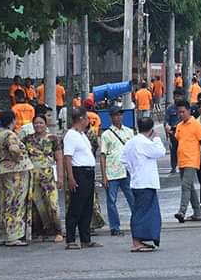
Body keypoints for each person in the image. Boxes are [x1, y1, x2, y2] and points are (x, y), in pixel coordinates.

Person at [123, 116, 167, 252]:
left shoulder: (131, 142)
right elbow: (161, 151)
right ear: (151, 129)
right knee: (142, 213)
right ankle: (137, 242)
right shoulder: (144, 142)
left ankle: (140, 239)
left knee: (143, 211)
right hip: (145, 182)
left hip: (137, 180)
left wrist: (133, 169)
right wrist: (157, 138)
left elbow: (123, 159)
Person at [0, 109, 34, 247]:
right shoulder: (10, 135)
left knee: (3, 203)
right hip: (14, 173)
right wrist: (16, 160)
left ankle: (4, 234)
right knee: (15, 202)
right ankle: (13, 235)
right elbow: (14, 149)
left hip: (0, 171)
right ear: (13, 120)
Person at [62, 108, 101, 250]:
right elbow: (68, 158)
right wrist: (70, 178)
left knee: (87, 207)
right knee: (76, 207)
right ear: (81, 119)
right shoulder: (71, 135)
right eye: (86, 118)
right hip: (79, 172)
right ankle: (71, 239)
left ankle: (86, 239)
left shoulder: (82, 135)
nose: (88, 121)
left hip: (88, 172)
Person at [23, 113, 64, 243]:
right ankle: (40, 231)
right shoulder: (27, 139)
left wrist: (61, 177)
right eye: (36, 123)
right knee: (37, 206)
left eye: (41, 123)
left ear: (45, 124)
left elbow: (59, 158)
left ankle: (58, 231)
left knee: (52, 204)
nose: (38, 125)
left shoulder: (53, 138)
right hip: (32, 176)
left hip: (48, 175)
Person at [99, 106, 135, 236]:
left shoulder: (130, 132)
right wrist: (104, 176)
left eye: (120, 115)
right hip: (112, 172)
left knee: (132, 199)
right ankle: (114, 227)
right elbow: (102, 156)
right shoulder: (106, 135)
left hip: (127, 171)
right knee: (111, 201)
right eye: (115, 115)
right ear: (111, 117)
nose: (118, 117)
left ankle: (137, 223)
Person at [173, 100, 201, 223]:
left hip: (192, 160)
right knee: (190, 188)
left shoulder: (197, 125)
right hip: (182, 160)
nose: (181, 114)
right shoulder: (179, 126)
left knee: (185, 185)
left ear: (189, 111)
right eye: (179, 112)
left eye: (183, 112)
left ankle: (182, 211)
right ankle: (197, 213)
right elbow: (177, 140)